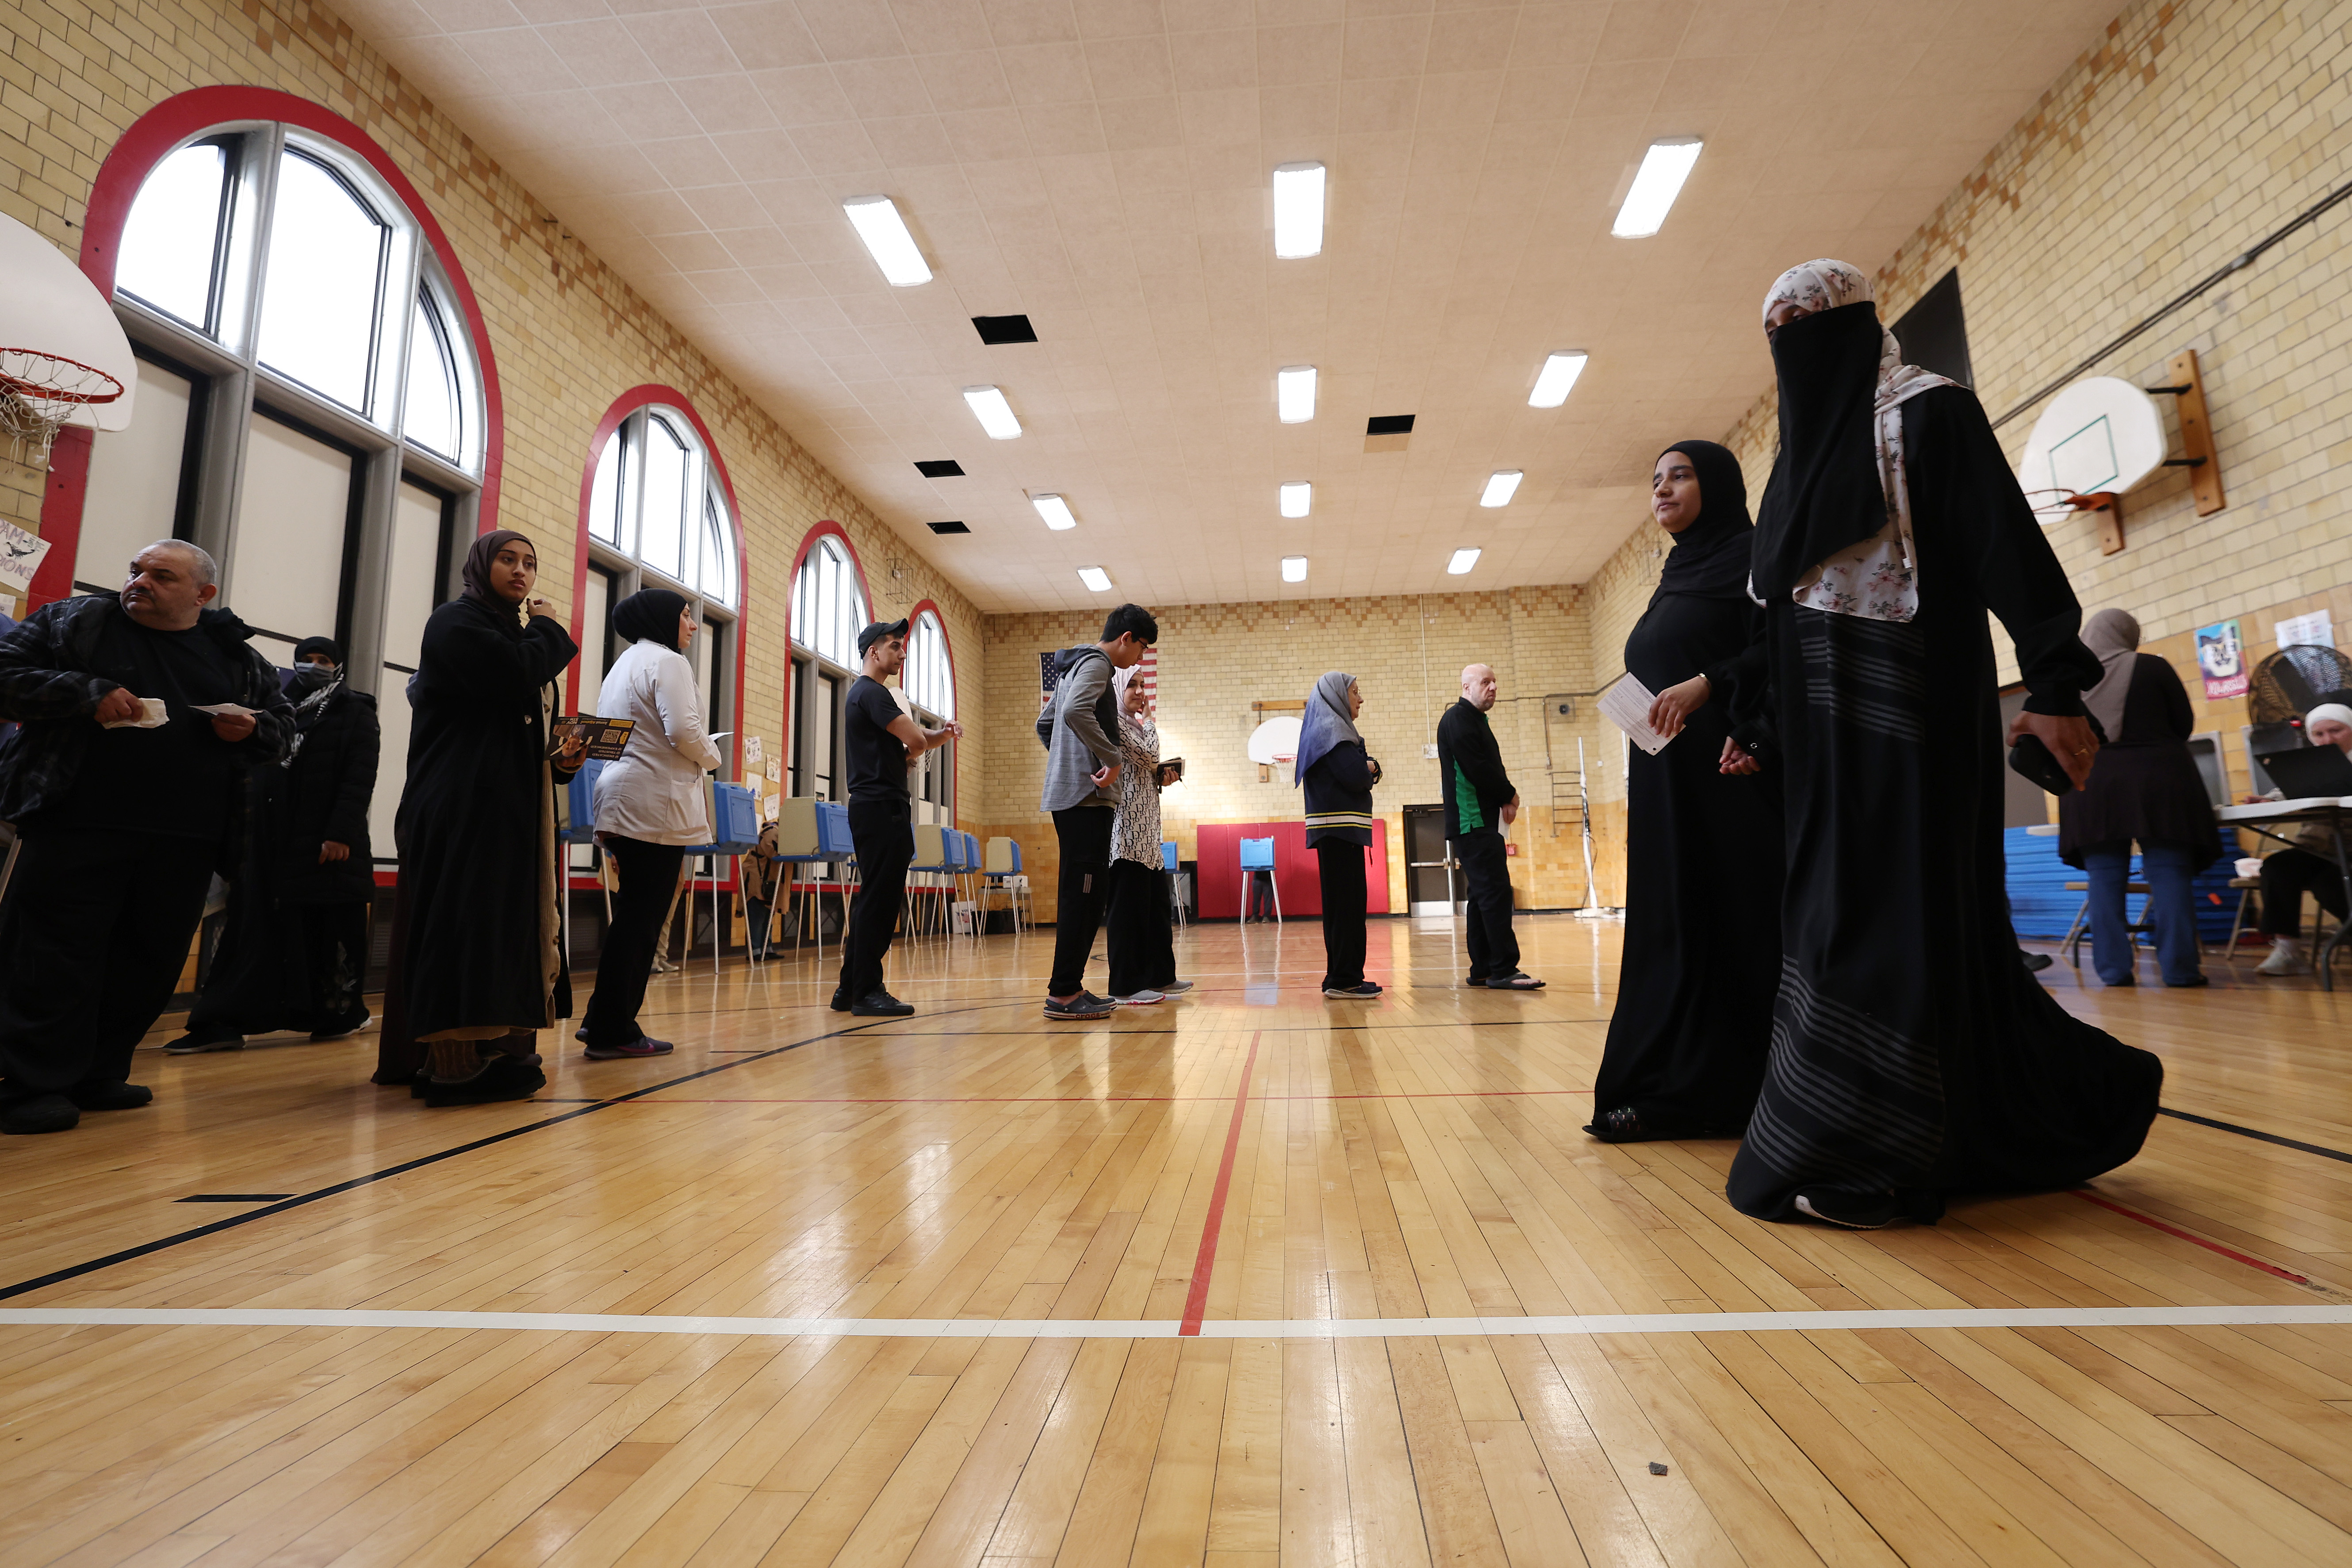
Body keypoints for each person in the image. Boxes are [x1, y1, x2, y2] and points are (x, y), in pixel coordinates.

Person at [1718, 259, 2161, 1228]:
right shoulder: (1794, 461)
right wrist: (1753, 725)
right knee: (1834, 920)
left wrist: (2053, 683)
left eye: (1806, 316)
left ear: (1855, 321)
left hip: (1913, 720)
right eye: (1773, 323)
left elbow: (2010, 546)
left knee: (1896, 917)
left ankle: (1872, 1158)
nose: (1790, 333)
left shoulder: (1929, 415)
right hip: (1819, 745)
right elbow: (1776, 615)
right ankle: (1922, 1130)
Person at [0, 541, 292, 1134]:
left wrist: (253, 729)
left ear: (202, 595)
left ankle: (100, 1072)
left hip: (186, 839)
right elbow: (4, 673)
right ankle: (31, 1083)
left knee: (147, 960)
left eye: (162, 576)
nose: (141, 582)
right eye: (136, 570)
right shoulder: (73, 622)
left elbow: (285, 732)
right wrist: (84, 694)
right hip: (75, 822)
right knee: (53, 957)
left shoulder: (235, 657)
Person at [1594, 442, 1784, 1141]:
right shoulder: (1678, 571)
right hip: (1667, 781)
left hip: (1729, 775)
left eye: (1679, 475)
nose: (1662, 489)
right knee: (1675, 923)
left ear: (1720, 484)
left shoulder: (1754, 556)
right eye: (1654, 480)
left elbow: (1781, 648)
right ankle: (1669, 1083)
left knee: (1734, 924)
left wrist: (1711, 684)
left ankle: (1747, 1087)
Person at [376, 530, 582, 1106]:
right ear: (481, 565)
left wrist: (564, 759)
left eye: (530, 564)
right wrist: (546, 626)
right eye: (508, 560)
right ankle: (449, 1061)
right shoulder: (455, 622)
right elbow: (512, 675)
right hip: (462, 802)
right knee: (461, 924)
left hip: (510, 806)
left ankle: (488, 1045)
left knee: (496, 928)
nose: (521, 571)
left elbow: (526, 722)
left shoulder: (511, 634)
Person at [168, 635, 381, 1054]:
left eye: (323, 660)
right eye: (306, 659)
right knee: (256, 927)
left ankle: (337, 1013)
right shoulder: (277, 709)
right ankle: (228, 1019)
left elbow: (359, 777)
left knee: (327, 930)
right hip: (270, 840)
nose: (313, 666)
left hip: (327, 843)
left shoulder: (353, 709)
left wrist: (340, 832)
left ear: (338, 666)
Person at [579, 588, 721, 1059]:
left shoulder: (623, 664)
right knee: (641, 921)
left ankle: (601, 1016)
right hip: (652, 804)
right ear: (663, 619)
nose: (693, 625)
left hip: (621, 797)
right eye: (685, 615)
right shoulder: (667, 661)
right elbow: (683, 730)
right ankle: (613, 1028)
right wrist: (713, 756)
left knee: (631, 916)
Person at [2057, 609, 2218, 987]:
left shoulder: (2069, 678)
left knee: (2104, 877)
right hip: (2160, 780)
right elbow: (2183, 725)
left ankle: (2113, 971)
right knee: (2169, 874)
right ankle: (2181, 970)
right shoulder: (2151, 668)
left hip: (2091, 783)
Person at [833, 619, 960, 1017]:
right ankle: (868, 990)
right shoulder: (874, 692)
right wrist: (921, 744)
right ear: (874, 651)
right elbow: (916, 740)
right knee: (881, 902)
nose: (902, 654)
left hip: (873, 806)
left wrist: (939, 735)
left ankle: (849, 987)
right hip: (881, 807)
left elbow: (916, 739)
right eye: (894, 646)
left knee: (872, 897)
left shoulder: (865, 695)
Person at [1040, 603, 1157, 1020]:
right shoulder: (1098, 665)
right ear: (1126, 638)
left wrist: (1066, 761)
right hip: (1084, 799)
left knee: (1084, 896)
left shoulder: (1075, 667)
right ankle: (1064, 994)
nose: (1140, 659)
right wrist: (1111, 757)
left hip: (1072, 795)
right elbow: (1072, 713)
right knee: (1084, 897)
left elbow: (1045, 723)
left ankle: (1068, 988)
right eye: (1141, 649)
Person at [1436, 663, 1541, 989]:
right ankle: (1504, 969)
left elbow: (1488, 765)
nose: (1493, 687)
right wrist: (1510, 794)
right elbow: (1478, 767)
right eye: (1485, 682)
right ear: (1466, 687)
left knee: (1483, 897)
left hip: (1480, 822)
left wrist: (1505, 796)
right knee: (1495, 892)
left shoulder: (1474, 721)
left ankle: (1483, 967)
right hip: (1474, 821)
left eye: (1495, 681)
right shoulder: (1459, 719)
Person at [2247, 698, 2352, 976]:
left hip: (2347, 852)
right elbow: (2284, 794)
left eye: (2336, 731)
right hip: (2318, 850)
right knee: (2278, 867)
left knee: (2331, 883)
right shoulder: (2308, 767)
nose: (2327, 739)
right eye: (2319, 734)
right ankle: (2288, 950)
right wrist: (2267, 803)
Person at [1297, 670, 1382, 999]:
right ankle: (1345, 979)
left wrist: (1368, 767)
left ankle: (1341, 976)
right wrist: (1371, 767)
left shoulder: (1327, 732)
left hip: (1335, 834)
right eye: (1356, 692)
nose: (1361, 699)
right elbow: (1357, 775)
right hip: (1339, 832)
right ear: (1336, 697)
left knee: (1341, 908)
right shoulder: (1333, 732)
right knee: (1347, 908)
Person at [1104, 664, 1187, 1004]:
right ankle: (1125, 986)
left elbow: (1145, 768)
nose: (1140, 692)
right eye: (1132, 686)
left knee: (1156, 912)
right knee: (1129, 916)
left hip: (1149, 837)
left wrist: (1160, 778)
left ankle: (1160, 977)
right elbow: (1150, 753)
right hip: (1127, 837)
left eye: (1143, 685)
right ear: (1119, 691)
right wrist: (1150, 719)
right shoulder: (1121, 724)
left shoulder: (1134, 727)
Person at [742, 816, 780, 959]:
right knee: (757, 915)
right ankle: (755, 950)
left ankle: (766, 948)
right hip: (756, 879)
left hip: (766, 879)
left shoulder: (775, 831)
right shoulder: (771, 832)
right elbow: (775, 854)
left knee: (767, 916)